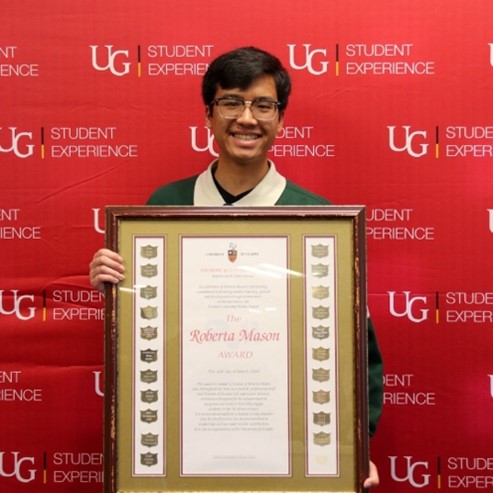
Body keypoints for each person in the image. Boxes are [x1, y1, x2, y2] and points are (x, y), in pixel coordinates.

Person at [90, 46, 383, 488]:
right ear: (208, 115)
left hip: (287, 447)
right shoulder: (162, 210)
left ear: (281, 119)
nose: (247, 118)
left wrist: (354, 445)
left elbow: (360, 354)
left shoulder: (320, 222)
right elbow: (141, 336)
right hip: (185, 443)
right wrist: (115, 287)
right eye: (231, 102)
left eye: (263, 105)